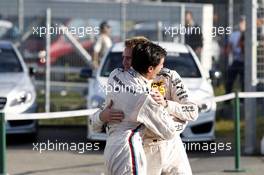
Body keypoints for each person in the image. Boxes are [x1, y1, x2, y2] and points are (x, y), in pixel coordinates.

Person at [91, 37, 198, 175]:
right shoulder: (122, 80)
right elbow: (97, 120)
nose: (124, 63)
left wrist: (166, 105)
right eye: (123, 57)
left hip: (171, 146)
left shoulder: (169, 76)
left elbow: (192, 111)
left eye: (129, 58)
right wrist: (101, 116)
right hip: (144, 149)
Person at [104, 42, 179, 175]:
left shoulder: (115, 75)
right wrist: (165, 105)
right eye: (161, 64)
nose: (162, 68)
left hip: (110, 147)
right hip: (128, 152)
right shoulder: (146, 97)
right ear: (151, 69)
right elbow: (169, 132)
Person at [225, 16, 246, 94]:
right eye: (241, 22)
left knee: (244, 81)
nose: (241, 24)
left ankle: (243, 100)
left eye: (243, 22)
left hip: (245, 62)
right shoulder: (234, 34)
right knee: (229, 79)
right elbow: (228, 48)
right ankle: (227, 100)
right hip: (237, 60)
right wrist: (228, 50)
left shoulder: (249, 35)